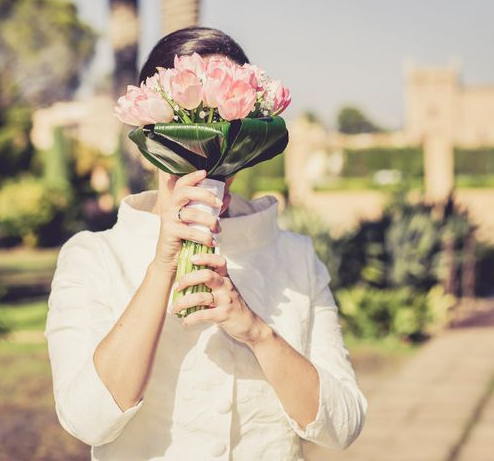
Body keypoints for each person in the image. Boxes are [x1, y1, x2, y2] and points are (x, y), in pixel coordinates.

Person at [44, 26, 367, 461]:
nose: (206, 148)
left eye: (226, 129)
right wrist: (161, 267)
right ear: (145, 139)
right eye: (182, 128)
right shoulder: (92, 257)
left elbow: (343, 425)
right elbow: (87, 421)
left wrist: (257, 333)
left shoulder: (294, 256)